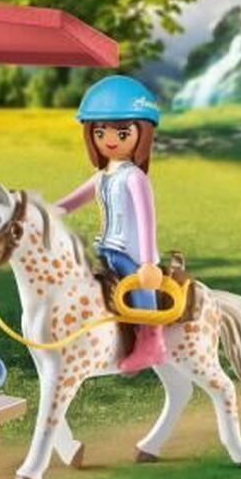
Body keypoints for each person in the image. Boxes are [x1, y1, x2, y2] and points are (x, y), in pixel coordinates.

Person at [55, 75, 166, 372]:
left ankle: (152, 341)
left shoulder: (135, 178)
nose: (110, 139)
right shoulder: (103, 176)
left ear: (142, 133)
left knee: (137, 288)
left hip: (131, 253)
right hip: (106, 248)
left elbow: (146, 220)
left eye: (122, 132)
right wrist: (44, 212)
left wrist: (147, 262)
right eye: (100, 131)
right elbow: (72, 201)